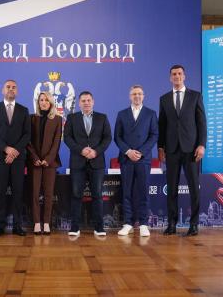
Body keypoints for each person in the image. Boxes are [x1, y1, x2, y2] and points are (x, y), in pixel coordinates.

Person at [158, 65, 207, 237]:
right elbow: (162, 125)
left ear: (184, 76)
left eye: (179, 73)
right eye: (174, 74)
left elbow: (202, 123)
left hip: (191, 149)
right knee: (171, 188)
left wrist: (202, 145)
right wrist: (160, 147)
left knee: (194, 187)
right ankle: (172, 224)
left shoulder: (195, 96)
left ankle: (194, 225)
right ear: (170, 77)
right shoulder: (164, 99)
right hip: (171, 150)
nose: (177, 76)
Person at [0, 79, 31, 236]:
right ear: (2, 90)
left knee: (18, 191)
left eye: (14, 87)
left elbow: (27, 134)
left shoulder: (24, 110)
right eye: (8, 87)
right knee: (0, 191)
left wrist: (14, 151)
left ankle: (17, 225)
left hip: (18, 157)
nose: (11, 89)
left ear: (17, 91)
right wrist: (6, 149)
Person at [64, 91, 112, 237]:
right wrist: (81, 150)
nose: (86, 103)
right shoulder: (72, 118)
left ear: (93, 102)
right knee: (76, 195)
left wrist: (96, 152)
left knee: (97, 195)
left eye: (88, 100)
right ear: (79, 103)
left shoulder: (102, 118)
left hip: (97, 162)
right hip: (77, 162)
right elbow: (67, 138)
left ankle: (99, 227)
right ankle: (74, 227)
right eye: (83, 101)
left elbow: (107, 138)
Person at [114, 85, 158, 237]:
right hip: (126, 158)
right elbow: (117, 136)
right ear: (130, 96)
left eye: (139, 93)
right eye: (134, 94)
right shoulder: (122, 114)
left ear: (143, 96)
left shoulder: (151, 114)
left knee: (143, 191)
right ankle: (128, 223)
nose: (137, 96)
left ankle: (144, 224)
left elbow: (154, 135)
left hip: (143, 159)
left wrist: (141, 152)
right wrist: (128, 151)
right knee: (127, 192)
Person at [27, 91, 62, 235]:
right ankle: (36, 223)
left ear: (51, 102)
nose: (44, 102)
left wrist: (48, 159)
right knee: (34, 193)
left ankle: (46, 223)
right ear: (38, 102)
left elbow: (56, 142)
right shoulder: (31, 118)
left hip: (50, 163)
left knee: (48, 194)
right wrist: (35, 157)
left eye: (46, 100)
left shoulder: (57, 119)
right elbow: (28, 141)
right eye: (41, 100)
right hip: (34, 162)